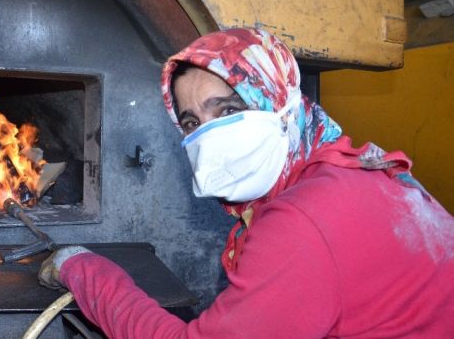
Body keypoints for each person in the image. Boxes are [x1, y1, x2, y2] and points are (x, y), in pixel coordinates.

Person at [38, 28, 454, 338]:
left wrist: (85, 270)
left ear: (281, 104)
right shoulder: (352, 173)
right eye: (191, 123)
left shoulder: (303, 220)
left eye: (228, 109)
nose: (209, 136)